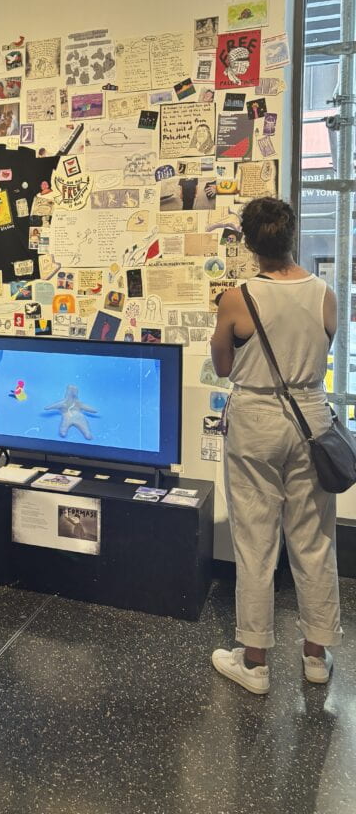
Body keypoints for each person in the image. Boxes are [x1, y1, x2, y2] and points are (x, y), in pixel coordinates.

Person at [209, 197, 342, 695]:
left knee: (256, 542)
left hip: (257, 421)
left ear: (249, 243)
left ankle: (256, 663)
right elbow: (324, 347)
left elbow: (223, 366)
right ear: (292, 237)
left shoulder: (237, 298)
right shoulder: (324, 293)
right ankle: (315, 655)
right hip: (311, 419)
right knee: (313, 540)